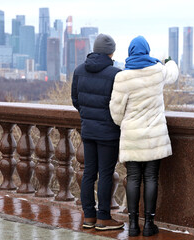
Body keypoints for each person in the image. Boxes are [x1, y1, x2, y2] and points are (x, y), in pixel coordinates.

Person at [109, 36, 179, 237]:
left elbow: (115, 112)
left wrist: (127, 124)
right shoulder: (157, 71)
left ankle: (132, 225)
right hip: (155, 136)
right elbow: (173, 73)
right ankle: (149, 224)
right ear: (147, 51)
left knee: (132, 178)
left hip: (132, 135)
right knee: (151, 178)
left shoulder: (122, 76)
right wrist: (168, 59)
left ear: (130, 52)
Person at [71, 33, 124, 231]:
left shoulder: (78, 71)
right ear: (111, 52)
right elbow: (119, 106)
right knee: (106, 174)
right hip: (109, 133)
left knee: (88, 174)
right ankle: (104, 218)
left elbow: (75, 100)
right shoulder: (116, 74)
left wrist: (87, 116)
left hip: (88, 130)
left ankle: (89, 217)